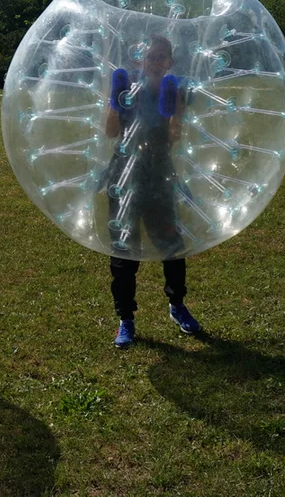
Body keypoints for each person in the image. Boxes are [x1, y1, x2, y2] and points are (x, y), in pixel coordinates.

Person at [102, 34, 199, 348]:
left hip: (158, 173)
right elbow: (110, 132)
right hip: (124, 173)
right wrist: (115, 105)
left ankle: (177, 305)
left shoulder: (175, 91)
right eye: (149, 57)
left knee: (171, 242)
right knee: (124, 248)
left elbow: (174, 137)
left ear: (170, 61)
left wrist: (174, 114)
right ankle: (125, 319)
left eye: (161, 57)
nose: (155, 63)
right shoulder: (124, 89)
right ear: (138, 60)